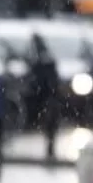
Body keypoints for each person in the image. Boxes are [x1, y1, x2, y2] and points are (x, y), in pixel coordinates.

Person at [26, 34, 61, 162]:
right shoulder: (46, 59)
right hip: (49, 97)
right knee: (51, 125)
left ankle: (50, 148)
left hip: (47, 97)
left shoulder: (42, 60)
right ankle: (50, 148)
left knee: (50, 124)